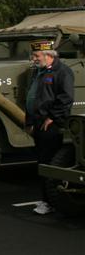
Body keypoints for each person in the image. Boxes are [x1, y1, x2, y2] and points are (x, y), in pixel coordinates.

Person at [25, 40, 74, 215]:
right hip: (38, 123)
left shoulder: (62, 72)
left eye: (37, 56)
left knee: (49, 163)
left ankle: (49, 202)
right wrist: (29, 121)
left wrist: (52, 117)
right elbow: (32, 97)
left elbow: (66, 98)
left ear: (49, 55)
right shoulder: (39, 72)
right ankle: (46, 199)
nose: (34, 59)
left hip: (51, 125)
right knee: (41, 161)